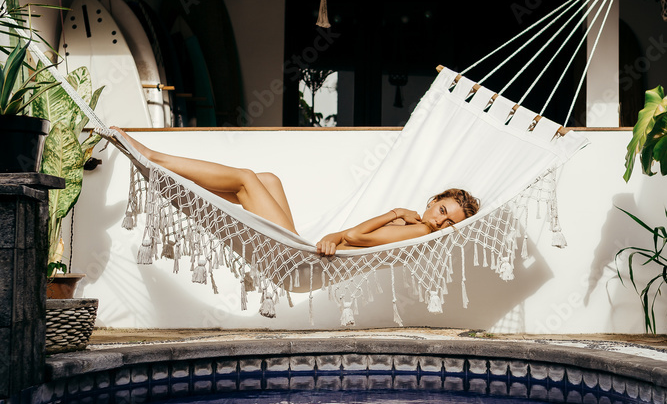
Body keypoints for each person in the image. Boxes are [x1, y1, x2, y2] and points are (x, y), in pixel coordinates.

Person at [111, 128, 480, 255]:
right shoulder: (419, 226)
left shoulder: (417, 229)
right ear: (434, 200)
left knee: (246, 180)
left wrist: (394, 212)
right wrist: (341, 237)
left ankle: (153, 156)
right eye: (443, 210)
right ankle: (184, 185)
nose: (440, 221)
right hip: (305, 249)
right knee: (268, 180)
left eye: (450, 222)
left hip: (299, 259)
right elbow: (336, 237)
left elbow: (350, 235)